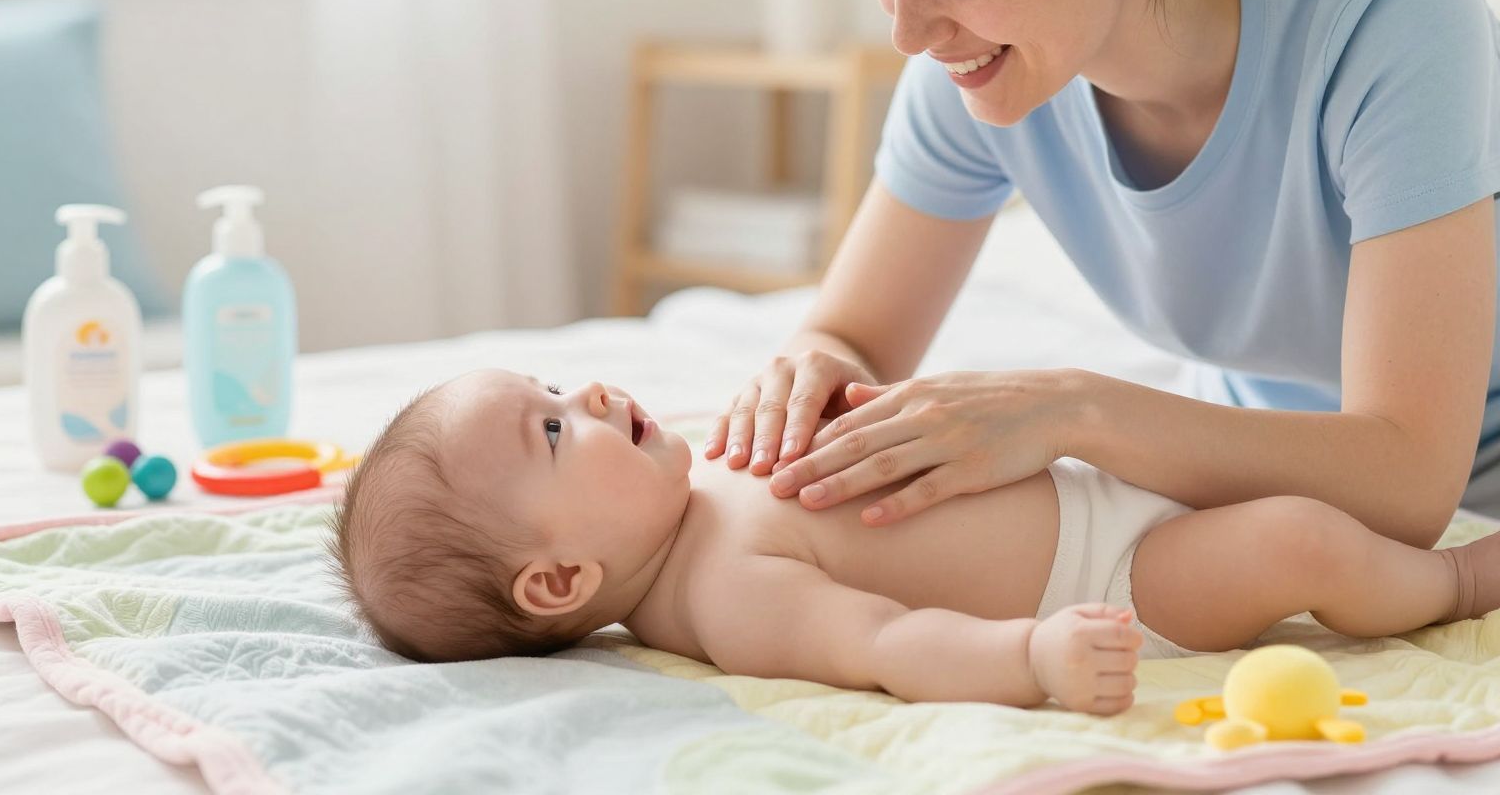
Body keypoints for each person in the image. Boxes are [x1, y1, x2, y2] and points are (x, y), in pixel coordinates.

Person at [704, 0, 1500, 545]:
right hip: (1252, 482)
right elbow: (854, 339)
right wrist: (809, 373)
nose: (908, 33)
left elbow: (1412, 482)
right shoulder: (974, 66)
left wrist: (1072, 410)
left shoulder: (1391, 21)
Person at [328, 370, 1500, 713]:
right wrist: (1033, 659)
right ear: (561, 577)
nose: (588, 390)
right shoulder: (726, 590)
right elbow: (888, 641)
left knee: (1273, 461)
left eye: (553, 386)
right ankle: (1450, 577)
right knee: (1298, 541)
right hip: (1117, 574)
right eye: (552, 425)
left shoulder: (683, 492)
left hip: (1097, 477)